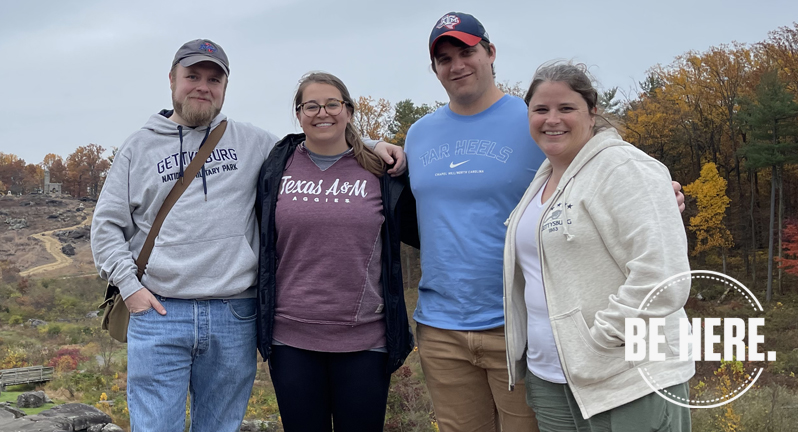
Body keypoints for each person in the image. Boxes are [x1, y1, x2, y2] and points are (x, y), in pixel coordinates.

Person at [91, 40, 405, 432]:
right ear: (172, 80)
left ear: (225, 86)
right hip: (160, 312)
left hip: (234, 314)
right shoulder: (138, 147)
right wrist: (129, 287)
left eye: (214, 78)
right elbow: (105, 227)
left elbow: (317, 142)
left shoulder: (252, 142)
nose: (203, 86)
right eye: (193, 76)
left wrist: (376, 146)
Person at [404, 12, 685, 432]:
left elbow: (609, 170)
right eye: (444, 58)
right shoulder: (419, 134)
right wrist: (372, 144)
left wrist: (662, 193)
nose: (457, 64)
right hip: (443, 327)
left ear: (491, 52)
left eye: (466, 51)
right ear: (434, 68)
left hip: (515, 328)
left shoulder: (534, 120)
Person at [503, 62, 694, 432]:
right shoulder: (544, 180)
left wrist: (598, 339)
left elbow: (663, 276)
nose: (551, 119)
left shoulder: (623, 167)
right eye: (540, 110)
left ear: (592, 112)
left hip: (629, 376)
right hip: (553, 379)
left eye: (566, 108)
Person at [254, 72, 417, 432]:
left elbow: (417, 231)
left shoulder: (381, 170)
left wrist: (375, 143)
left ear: (348, 110)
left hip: (364, 337)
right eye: (310, 105)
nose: (321, 112)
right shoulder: (276, 167)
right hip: (291, 337)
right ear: (299, 114)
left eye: (332, 104)